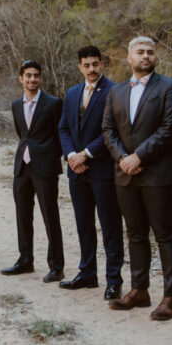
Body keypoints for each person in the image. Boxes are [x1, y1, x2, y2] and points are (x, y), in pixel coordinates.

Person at [101, 37, 172, 320]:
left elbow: (170, 127)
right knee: (135, 234)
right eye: (140, 52)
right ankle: (139, 290)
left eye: (150, 52)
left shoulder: (169, 87)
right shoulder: (117, 91)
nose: (146, 56)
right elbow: (108, 129)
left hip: (159, 174)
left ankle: (171, 297)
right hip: (125, 174)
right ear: (129, 58)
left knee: (165, 235)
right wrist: (123, 158)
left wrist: (139, 156)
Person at [57, 46, 123, 299]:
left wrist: (87, 154)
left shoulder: (115, 91)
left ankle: (114, 280)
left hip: (103, 169)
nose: (92, 69)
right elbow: (63, 128)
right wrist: (72, 156)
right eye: (87, 65)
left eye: (95, 64)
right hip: (77, 171)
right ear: (80, 67)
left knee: (110, 226)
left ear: (102, 64)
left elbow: (112, 130)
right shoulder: (72, 93)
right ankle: (87, 273)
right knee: (83, 224)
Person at [2, 60, 64, 282]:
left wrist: (49, 157)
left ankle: (56, 266)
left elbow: (60, 135)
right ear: (21, 78)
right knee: (22, 215)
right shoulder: (16, 104)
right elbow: (23, 134)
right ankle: (25, 260)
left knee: (50, 217)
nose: (32, 79)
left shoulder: (54, 103)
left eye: (36, 75)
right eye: (28, 75)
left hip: (45, 168)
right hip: (22, 167)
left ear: (40, 78)